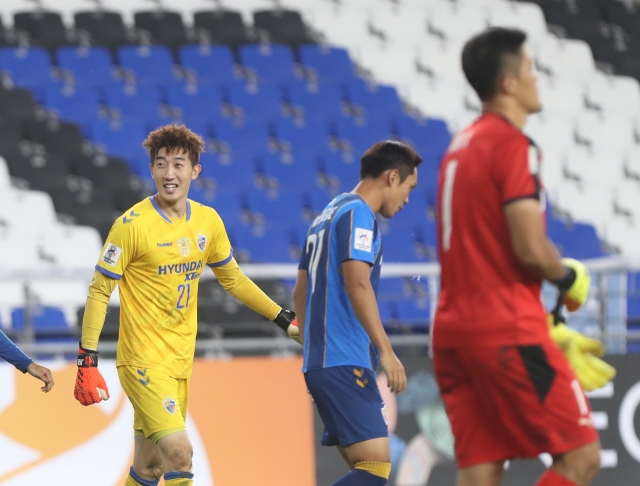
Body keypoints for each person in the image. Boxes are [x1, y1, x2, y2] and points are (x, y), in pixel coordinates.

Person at [73, 124, 299, 486]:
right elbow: (100, 291)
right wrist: (87, 358)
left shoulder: (208, 222)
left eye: (178, 165)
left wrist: (283, 319)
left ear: (195, 171)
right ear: (151, 170)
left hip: (180, 361)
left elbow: (234, 279)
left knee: (149, 467)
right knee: (180, 453)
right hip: (143, 361)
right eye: (161, 164)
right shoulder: (131, 226)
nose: (169, 174)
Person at [433, 28, 604, 486]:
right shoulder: (513, 145)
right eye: (530, 68)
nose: (537, 78)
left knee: (479, 471)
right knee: (583, 456)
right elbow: (529, 248)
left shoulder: (458, 148)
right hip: (505, 331)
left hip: (452, 337)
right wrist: (566, 275)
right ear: (509, 82)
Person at [294, 141, 422, 486]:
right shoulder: (358, 214)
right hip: (344, 359)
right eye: (409, 188)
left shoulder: (327, 213)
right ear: (392, 177)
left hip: (323, 362)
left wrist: (311, 351)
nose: (407, 199)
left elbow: (300, 292)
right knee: (376, 467)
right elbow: (358, 284)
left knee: (364, 467)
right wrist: (387, 351)